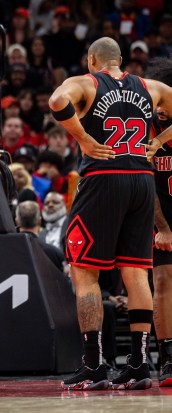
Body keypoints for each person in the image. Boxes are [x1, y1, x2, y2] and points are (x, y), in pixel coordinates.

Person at [48, 36, 172, 391]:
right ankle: (138, 363)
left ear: (92, 60)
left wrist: (84, 139)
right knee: (135, 273)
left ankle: (94, 364)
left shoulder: (88, 83)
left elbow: (57, 100)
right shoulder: (150, 88)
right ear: (120, 60)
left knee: (84, 272)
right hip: (142, 181)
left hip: (103, 178)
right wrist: (160, 142)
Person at [145, 57, 172, 387]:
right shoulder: (144, 124)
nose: (159, 109)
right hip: (159, 210)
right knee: (163, 281)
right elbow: (145, 183)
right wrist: (163, 226)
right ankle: (167, 357)